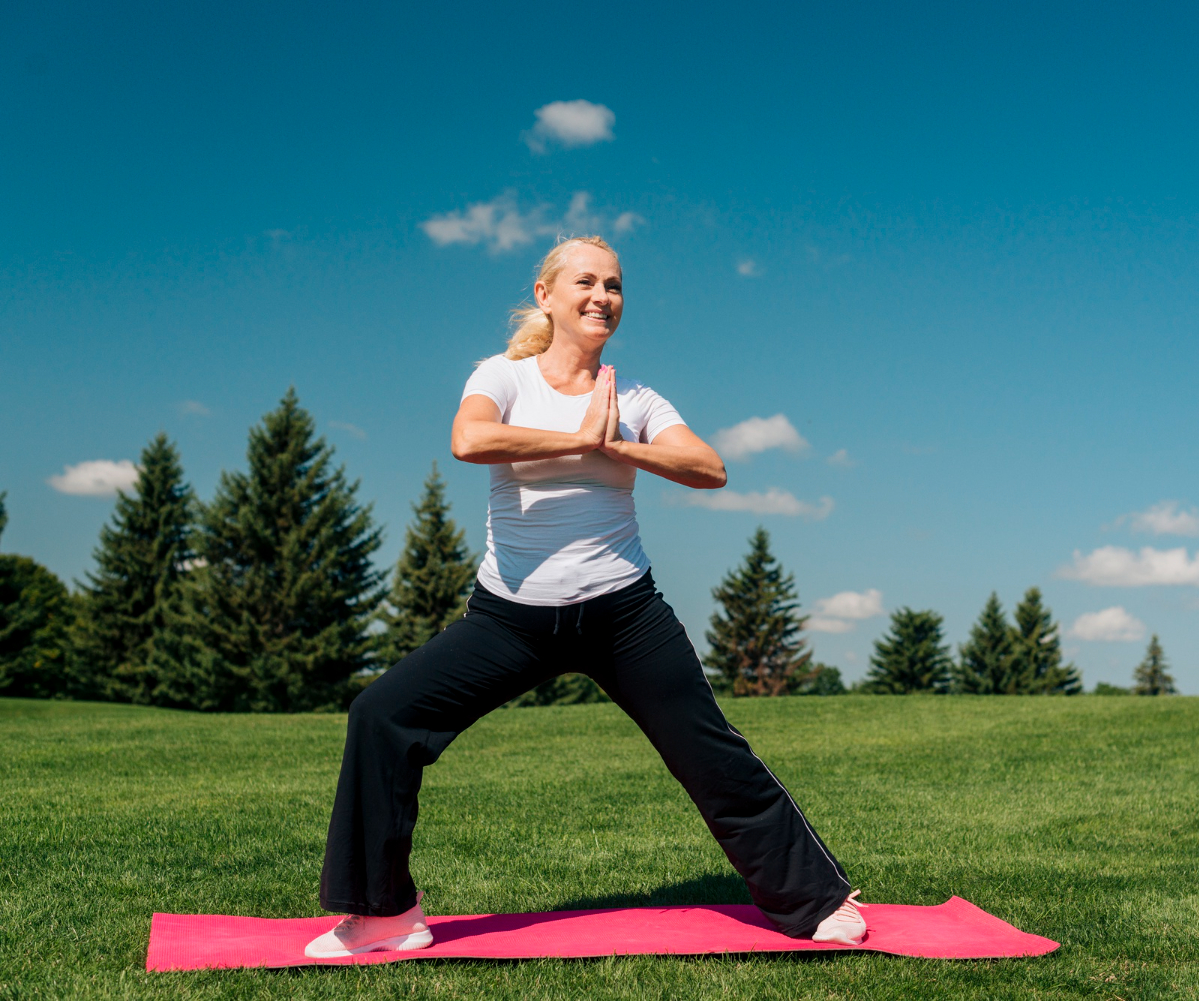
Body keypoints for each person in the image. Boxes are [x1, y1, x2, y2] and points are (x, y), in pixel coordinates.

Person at [305, 236, 865, 958]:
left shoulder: (634, 398)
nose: (602, 296)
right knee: (381, 715)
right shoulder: (505, 377)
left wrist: (617, 446)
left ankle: (813, 897)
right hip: (510, 617)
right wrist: (575, 436)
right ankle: (383, 914)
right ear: (545, 294)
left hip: (623, 613)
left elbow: (709, 466)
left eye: (615, 285)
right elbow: (469, 439)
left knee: (708, 749)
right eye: (585, 282)